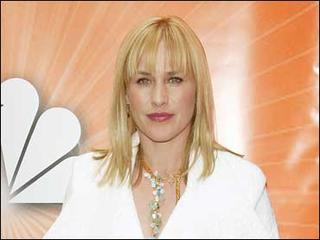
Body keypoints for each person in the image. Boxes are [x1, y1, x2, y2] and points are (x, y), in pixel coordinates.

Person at [43, 16, 279, 239]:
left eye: (174, 80)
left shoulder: (242, 183)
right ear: (125, 93)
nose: (158, 98)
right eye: (143, 81)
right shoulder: (88, 177)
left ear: (198, 90)